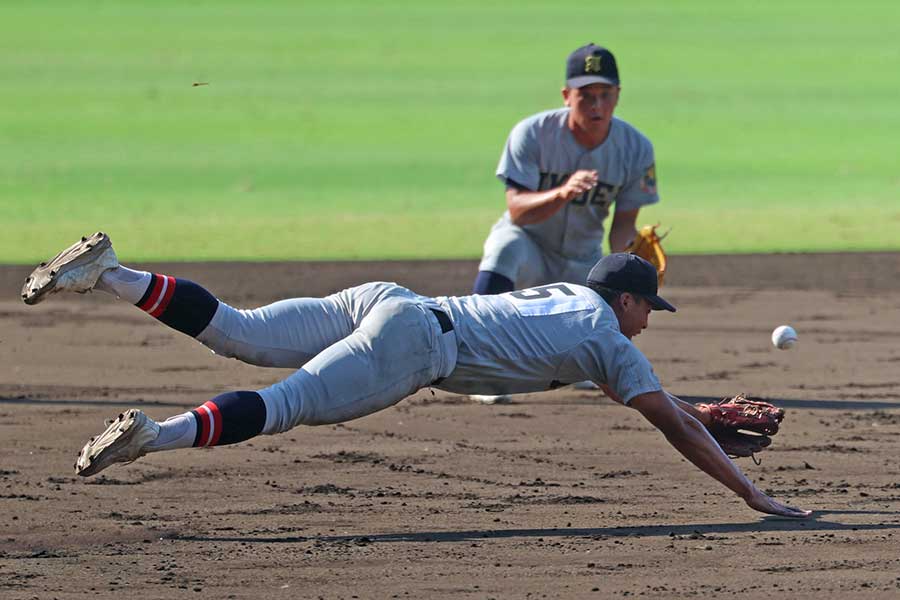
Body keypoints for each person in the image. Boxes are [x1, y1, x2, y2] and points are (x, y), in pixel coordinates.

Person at [21, 232, 810, 519]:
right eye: (651, 309)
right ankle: (154, 436)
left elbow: (652, 398)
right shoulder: (612, 336)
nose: (649, 321)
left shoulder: (574, 301)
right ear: (628, 300)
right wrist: (752, 494)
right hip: (412, 348)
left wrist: (701, 407)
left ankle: (113, 273)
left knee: (238, 330)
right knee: (286, 402)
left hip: (391, 300)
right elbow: (661, 419)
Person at [470, 43, 660, 403]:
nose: (596, 105)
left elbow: (623, 225)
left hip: (581, 259)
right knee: (504, 246)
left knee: (609, 295)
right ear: (566, 95)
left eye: (605, 95)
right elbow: (517, 211)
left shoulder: (636, 148)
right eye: (586, 96)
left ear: (618, 96)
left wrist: (631, 264)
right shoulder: (533, 133)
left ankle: (588, 367)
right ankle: (479, 368)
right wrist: (562, 193)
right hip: (529, 245)